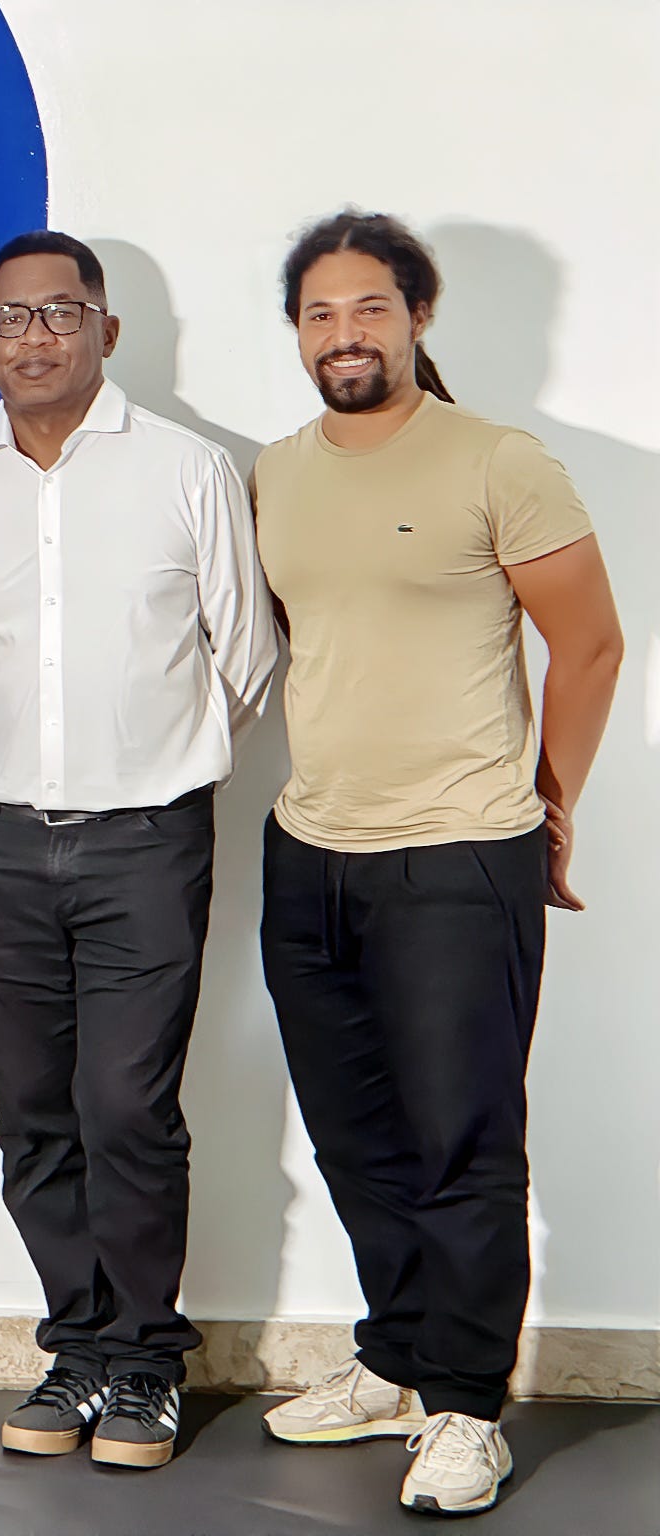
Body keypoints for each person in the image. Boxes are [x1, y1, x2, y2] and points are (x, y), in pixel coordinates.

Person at [253, 211, 622, 1517]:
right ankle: (400, 1358)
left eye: (369, 307)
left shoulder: (494, 461)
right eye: (319, 313)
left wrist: (550, 801)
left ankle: (466, 1405)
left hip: (460, 854)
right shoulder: (276, 473)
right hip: (309, 851)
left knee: (462, 1138)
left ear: (417, 315)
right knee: (356, 1138)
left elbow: (589, 644)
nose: (344, 333)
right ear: (296, 332)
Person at [0, 231, 278, 1470]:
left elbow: (243, 657)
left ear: (105, 330)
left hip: (145, 844)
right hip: (0, 843)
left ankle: (146, 1362)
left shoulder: (187, 468)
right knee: (31, 1116)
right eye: (11, 317)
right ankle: (75, 1349)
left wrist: (149, 768)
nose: (36, 338)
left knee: (127, 1108)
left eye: (61, 313)